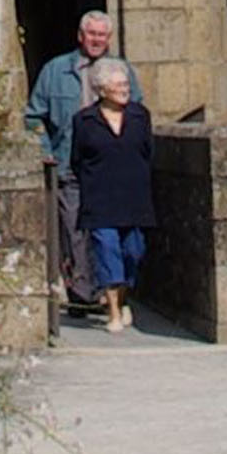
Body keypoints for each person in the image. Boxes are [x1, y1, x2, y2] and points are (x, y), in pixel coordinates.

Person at [25, 10, 138, 315]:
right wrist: (44, 148)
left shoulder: (122, 71)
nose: (97, 40)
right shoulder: (54, 71)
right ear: (80, 35)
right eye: (92, 34)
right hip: (69, 166)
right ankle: (83, 294)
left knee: (111, 236)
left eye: (102, 35)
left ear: (109, 38)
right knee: (75, 233)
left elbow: (137, 113)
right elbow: (34, 116)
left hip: (110, 170)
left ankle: (109, 293)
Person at [69, 59, 155, 332]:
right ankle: (114, 312)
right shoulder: (84, 120)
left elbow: (147, 152)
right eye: (118, 85)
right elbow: (77, 160)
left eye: (126, 84)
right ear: (102, 89)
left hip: (134, 197)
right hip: (100, 198)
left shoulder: (141, 116)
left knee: (133, 251)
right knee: (107, 251)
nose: (124, 89)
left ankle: (123, 297)